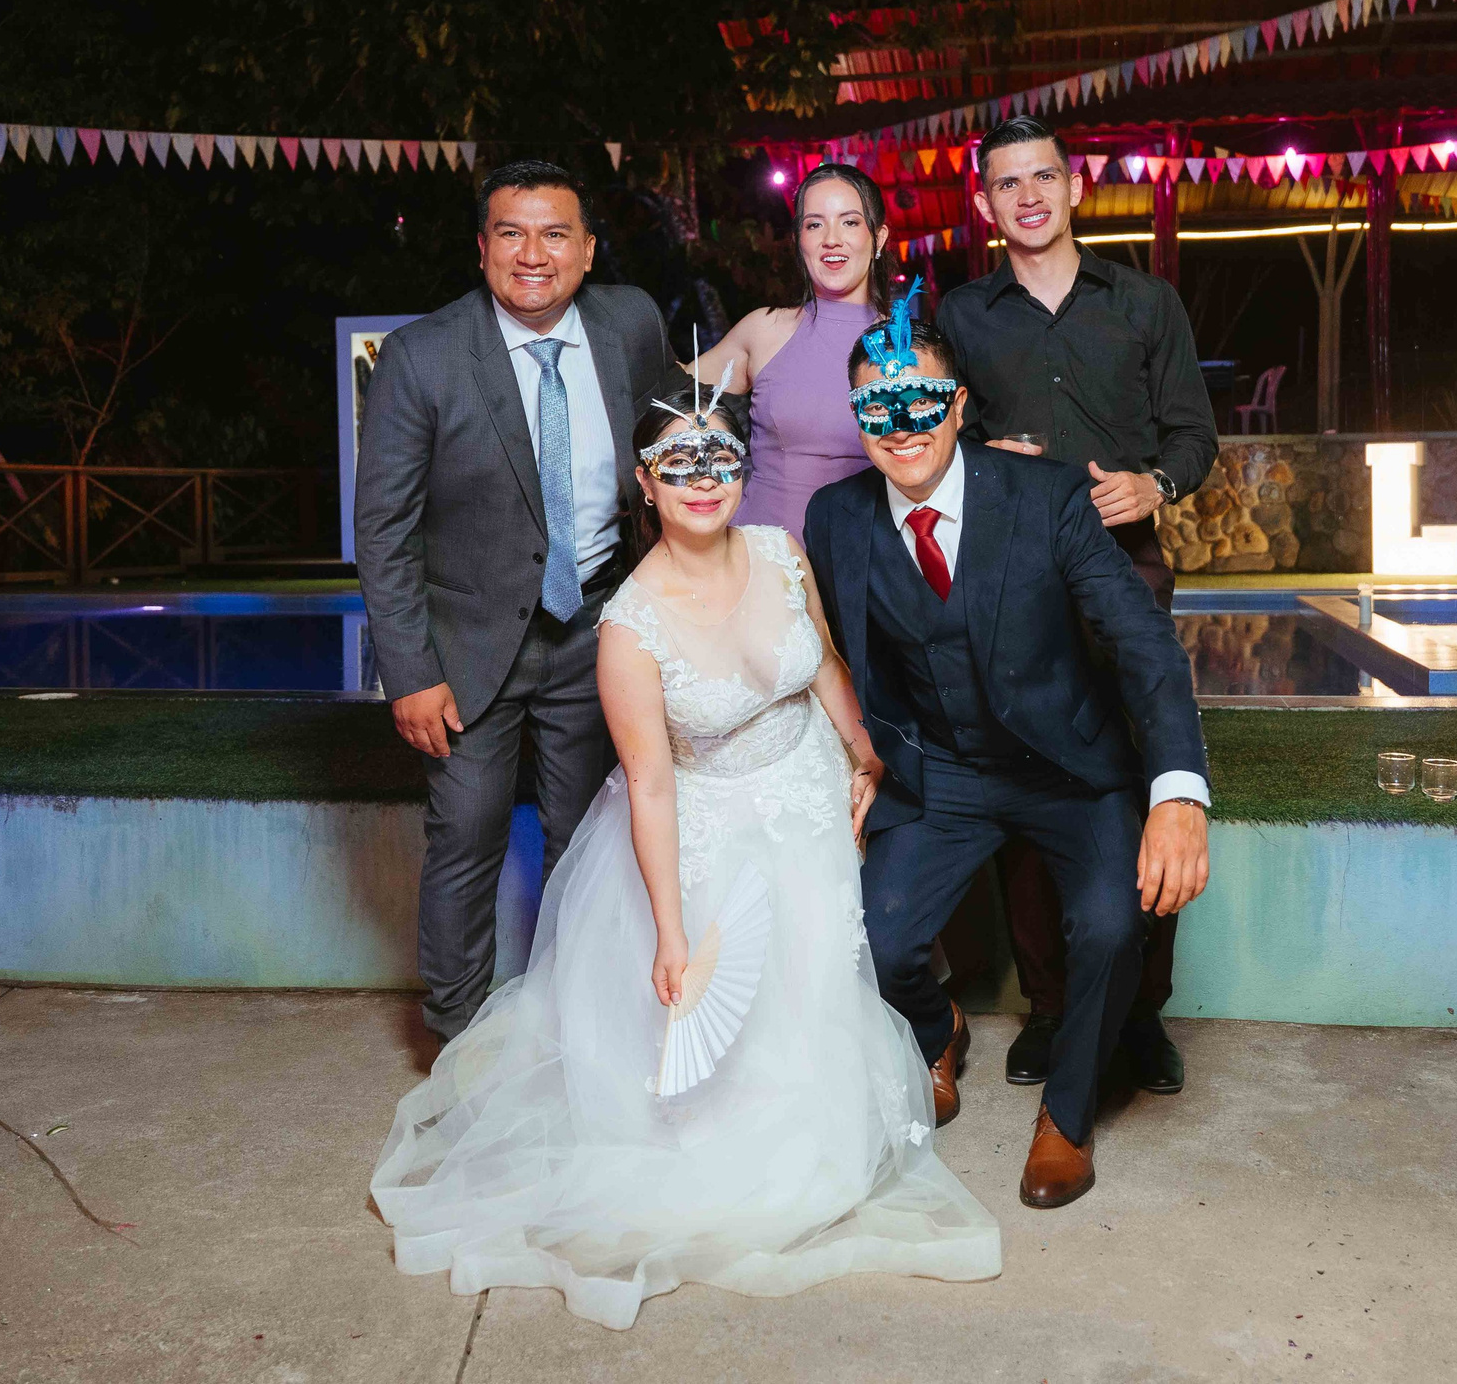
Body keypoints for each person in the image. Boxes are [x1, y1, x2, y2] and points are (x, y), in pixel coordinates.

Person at [371, 384, 1001, 1330]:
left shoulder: (782, 552)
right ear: (645, 483)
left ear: (744, 470)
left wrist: (863, 753)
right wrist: (671, 929)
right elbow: (653, 786)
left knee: (820, 975)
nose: (704, 480)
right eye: (680, 463)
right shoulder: (629, 626)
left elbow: (826, 664)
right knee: (720, 1048)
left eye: (720, 458)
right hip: (709, 831)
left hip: (808, 800)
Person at [803, 288, 1211, 1210]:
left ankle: (1068, 1113)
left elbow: (1142, 643)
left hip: (1070, 768)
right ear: (858, 419)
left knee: (1109, 925)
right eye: (878, 407)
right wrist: (865, 758)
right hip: (943, 773)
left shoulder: (1048, 495)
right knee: (877, 936)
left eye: (920, 401)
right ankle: (937, 1029)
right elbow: (845, 656)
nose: (902, 426)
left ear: (957, 406)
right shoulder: (835, 517)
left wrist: (1179, 789)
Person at [353, 159, 672, 1043]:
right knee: (466, 834)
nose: (534, 254)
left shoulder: (631, 323)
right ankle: (457, 1038)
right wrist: (409, 672)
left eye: (555, 233)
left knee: (591, 839)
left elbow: (675, 434)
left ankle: (580, 1028)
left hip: (599, 627)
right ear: (482, 247)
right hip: (465, 644)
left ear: (588, 249)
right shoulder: (422, 355)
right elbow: (382, 527)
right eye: (512, 233)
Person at [939, 116, 1221, 1100]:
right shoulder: (961, 315)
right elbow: (929, 436)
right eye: (1006, 183)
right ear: (986, 203)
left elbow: (1193, 436)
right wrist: (977, 459)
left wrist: (1153, 484)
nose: (1027, 195)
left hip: (1124, 569)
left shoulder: (1144, 302)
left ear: (1075, 186)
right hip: (1010, 578)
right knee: (1029, 780)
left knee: (1147, 777)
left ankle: (1140, 1013)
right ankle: (1052, 1006)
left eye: (1042, 177)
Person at [690, 160, 890, 533]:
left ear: (878, 238)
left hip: (866, 557)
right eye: (814, 224)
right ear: (799, 240)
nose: (832, 239)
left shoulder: (906, 347)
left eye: (850, 222)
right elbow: (669, 398)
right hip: (763, 556)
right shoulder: (765, 329)